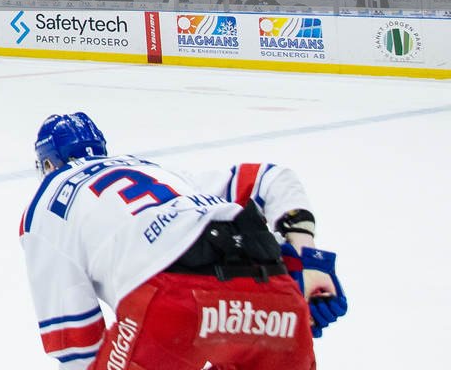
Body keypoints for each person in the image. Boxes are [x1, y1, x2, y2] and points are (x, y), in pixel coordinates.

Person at [21, 111, 344, 369]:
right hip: (274, 291)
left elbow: (76, 344)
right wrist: (308, 260)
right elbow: (272, 178)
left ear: (48, 164)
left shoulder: (48, 201)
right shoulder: (161, 173)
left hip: (172, 302)